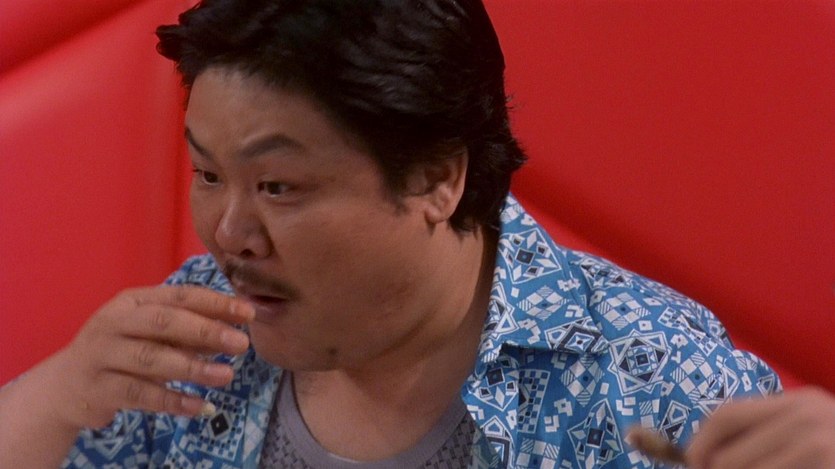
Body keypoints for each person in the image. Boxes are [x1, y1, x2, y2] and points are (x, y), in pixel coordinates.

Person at [1, 0, 833, 468]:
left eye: (278, 185)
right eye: (208, 173)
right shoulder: (188, 341)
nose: (228, 233)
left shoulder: (652, 375)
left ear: (437, 178)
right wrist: (59, 394)